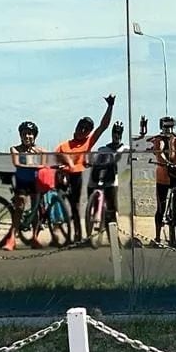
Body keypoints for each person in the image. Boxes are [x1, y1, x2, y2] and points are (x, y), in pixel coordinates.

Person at [56, 95, 116, 243]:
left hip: (77, 177)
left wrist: (110, 106)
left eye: (86, 129)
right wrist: (63, 166)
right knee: (67, 205)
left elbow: (103, 126)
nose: (82, 130)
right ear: (75, 128)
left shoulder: (88, 142)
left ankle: (78, 235)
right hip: (65, 176)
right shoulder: (64, 145)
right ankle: (62, 230)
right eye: (81, 127)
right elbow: (57, 158)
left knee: (76, 206)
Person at [144, 115, 176, 245]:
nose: (168, 129)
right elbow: (159, 151)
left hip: (175, 173)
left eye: (170, 126)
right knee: (161, 206)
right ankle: (157, 237)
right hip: (163, 174)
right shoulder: (159, 139)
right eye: (166, 126)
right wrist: (166, 162)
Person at [10, 120, 48, 249]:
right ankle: (12, 238)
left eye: (30, 134)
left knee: (36, 210)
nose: (27, 136)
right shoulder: (15, 149)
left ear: (35, 135)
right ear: (20, 135)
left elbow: (43, 164)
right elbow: (16, 163)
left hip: (35, 181)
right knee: (20, 206)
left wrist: (32, 161)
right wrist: (33, 161)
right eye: (24, 134)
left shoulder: (40, 150)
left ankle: (35, 237)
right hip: (21, 180)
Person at [87, 120, 130, 229]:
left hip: (114, 178)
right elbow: (96, 160)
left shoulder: (125, 149)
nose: (116, 135)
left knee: (112, 207)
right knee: (92, 188)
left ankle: (113, 230)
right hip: (101, 176)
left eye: (119, 133)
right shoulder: (103, 149)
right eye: (115, 132)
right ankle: (92, 218)